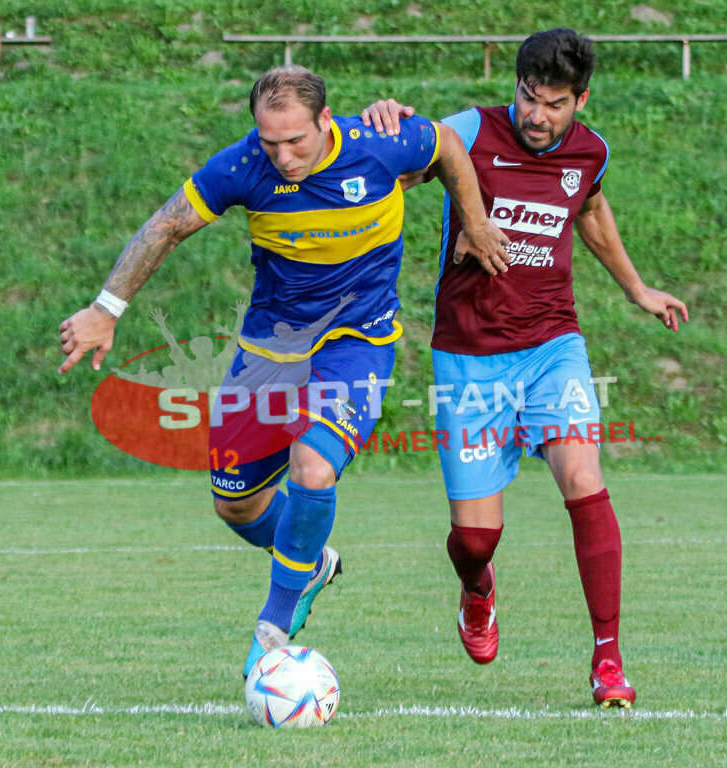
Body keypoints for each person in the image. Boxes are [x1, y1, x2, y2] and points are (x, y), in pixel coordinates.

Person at [58, 65, 508, 679]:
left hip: (357, 341)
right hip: (270, 352)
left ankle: (276, 619)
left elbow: (449, 146)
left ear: (326, 120)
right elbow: (167, 225)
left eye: (296, 140)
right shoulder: (244, 167)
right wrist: (106, 308)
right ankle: (310, 562)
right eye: (270, 141)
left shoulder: (381, 143)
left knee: (314, 467)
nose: (284, 155)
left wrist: (475, 221)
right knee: (235, 506)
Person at [363, 28, 688, 708]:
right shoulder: (469, 133)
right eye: (527, 97)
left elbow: (590, 209)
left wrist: (636, 289)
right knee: (476, 539)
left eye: (554, 103)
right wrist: (389, 122)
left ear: (581, 100)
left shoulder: (590, 151)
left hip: (551, 347)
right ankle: (477, 592)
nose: (536, 115)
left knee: (584, 480)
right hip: (470, 357)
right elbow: (404, 162)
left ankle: (607, 660)